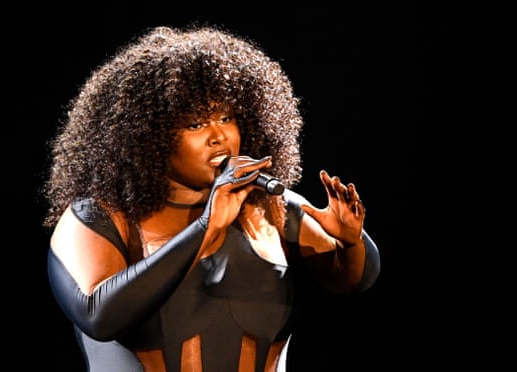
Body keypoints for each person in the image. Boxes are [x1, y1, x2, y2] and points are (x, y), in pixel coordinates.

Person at [42, 24, 380, 372]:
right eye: (194, 125)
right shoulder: (99, 216)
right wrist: (205, 228)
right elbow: (98, 315)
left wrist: (350, 242)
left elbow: (352, 279)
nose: (218, 137)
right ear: (146, 136)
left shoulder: (269, 206)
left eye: (226, 117)